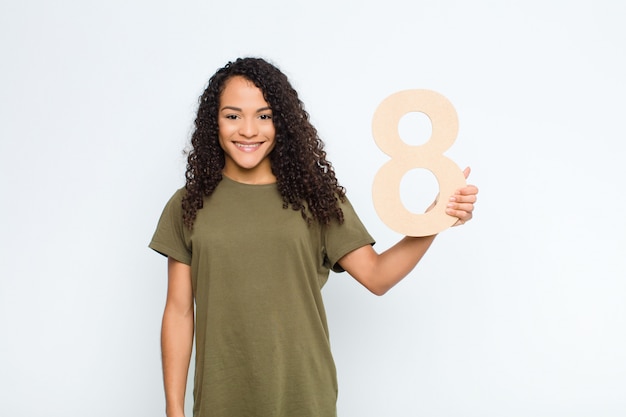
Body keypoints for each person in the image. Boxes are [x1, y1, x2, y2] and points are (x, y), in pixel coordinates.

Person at [149, 57, 478, 417]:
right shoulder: (188, 205)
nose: (247, 129)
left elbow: (377, 276)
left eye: (264, 115)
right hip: (221, 402)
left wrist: (435, 217)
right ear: (214, 121)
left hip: (304, 399)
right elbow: (179, 312)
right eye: (232, 115)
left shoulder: (316, 198)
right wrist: (174, 409)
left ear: (283, 122)